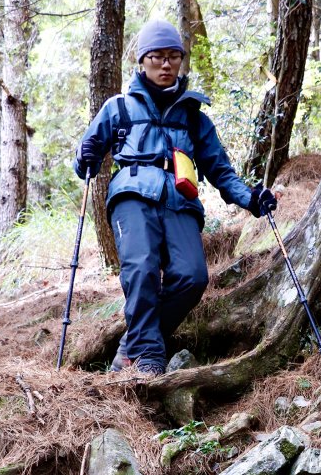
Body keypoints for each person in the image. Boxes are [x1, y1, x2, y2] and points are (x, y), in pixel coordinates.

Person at [74, 20, 277, 376]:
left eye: (173, 57)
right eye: (157, 57)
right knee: (142, 270)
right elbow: (84, 163)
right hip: (131, 195)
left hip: (180, 200)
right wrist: (87, 155)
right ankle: (148, 359)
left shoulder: (195, 118)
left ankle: (131, 345)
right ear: (142, 61)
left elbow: (220, 171)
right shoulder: (118, 108)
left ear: (181, 61)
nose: (166, 65)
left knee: (192, 276)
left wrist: (251, 198)